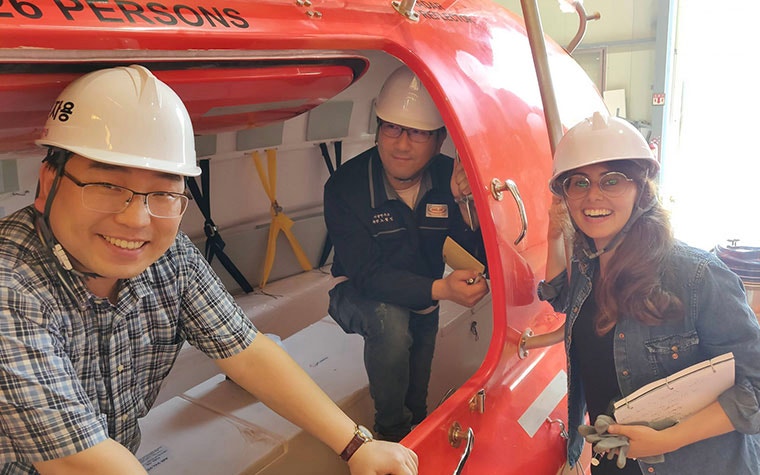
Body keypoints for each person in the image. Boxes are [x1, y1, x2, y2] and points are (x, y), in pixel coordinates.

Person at [0, 65, 418, 475]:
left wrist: (358, 445)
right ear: (48, 182)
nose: (136, 220)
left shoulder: (170, 257)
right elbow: (79, 460)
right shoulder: (10, 284)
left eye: (163, 192)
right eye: (108, 186)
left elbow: (248, 353)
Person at [531, 111, 760, 474]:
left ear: (641, 188)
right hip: (613, 460)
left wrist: (666, 440)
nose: (593, 196)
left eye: (611, 180)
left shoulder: (697, 276)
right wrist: (554, 232)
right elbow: (562, 300)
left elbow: (756, 390)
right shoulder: (589, 263)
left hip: (689, 463)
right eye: (578, 183)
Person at [323, 65, 489, 442]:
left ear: (439, 140)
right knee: (391, 324)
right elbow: (367, 273)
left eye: (416, 133)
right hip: (358, 291)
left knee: (417, 385)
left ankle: (416, 426)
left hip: (425, 296)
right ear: (378, 127)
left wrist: (466, 204)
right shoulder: (345, 186)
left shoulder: (452, 177)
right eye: (391, 128)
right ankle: (390, 437)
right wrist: (442, 290)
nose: (400, 144)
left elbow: (479, 257)